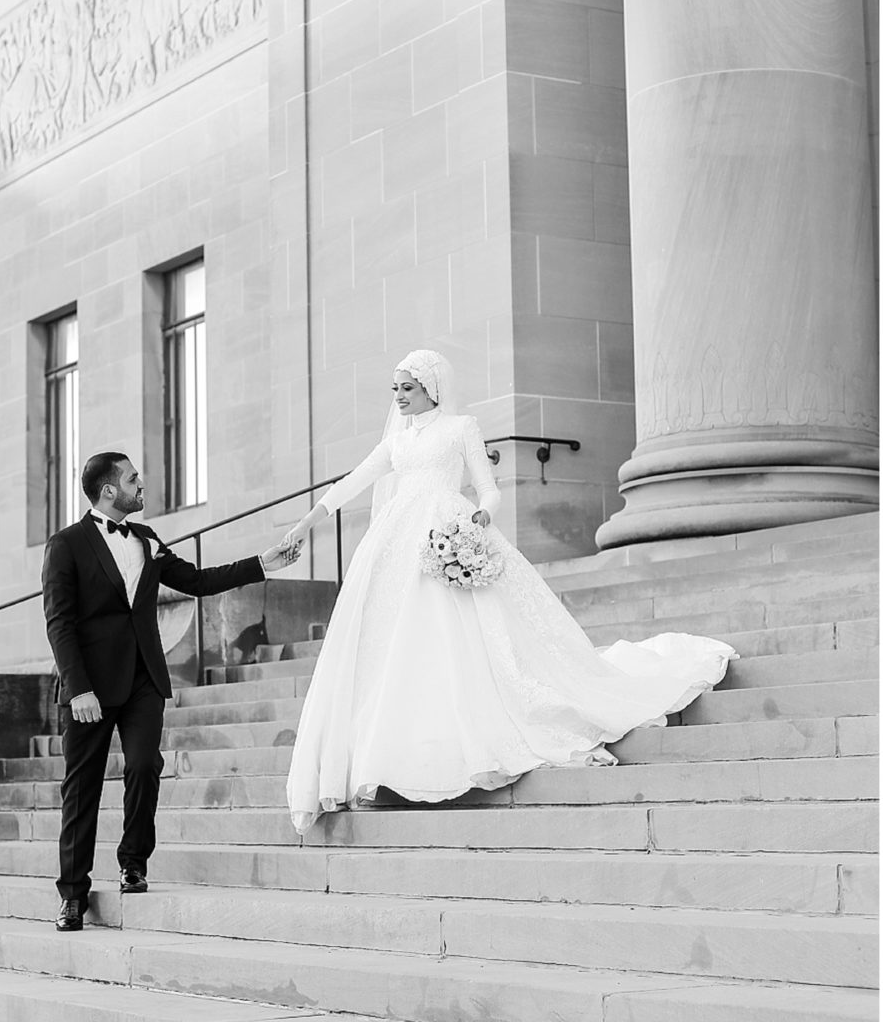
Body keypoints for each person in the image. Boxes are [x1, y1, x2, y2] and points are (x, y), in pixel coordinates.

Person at [280, 349, 735, 834]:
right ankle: (389, 760)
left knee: (455, 642)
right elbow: (353, 482)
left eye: (407, 388)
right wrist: (304, 526)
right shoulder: (396, 443)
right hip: (395, 545)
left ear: (430, 389)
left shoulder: (461, 429)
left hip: (447, 532)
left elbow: (488, 489)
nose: (399, 398)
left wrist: (482, 516)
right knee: (392, 648)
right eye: (395, 389)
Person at [42, 451, 299, 929]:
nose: (142, 484)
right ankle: (73, 893)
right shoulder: (67, 545)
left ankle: (133, 862)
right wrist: (78, 689)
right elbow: (59, 622)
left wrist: (261, 564)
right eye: (133, 479)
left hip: (142, 677)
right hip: (89, 690)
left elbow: (198, 581)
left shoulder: (147, 539)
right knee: (83, 790)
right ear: (108, 491)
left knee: (145, 765)